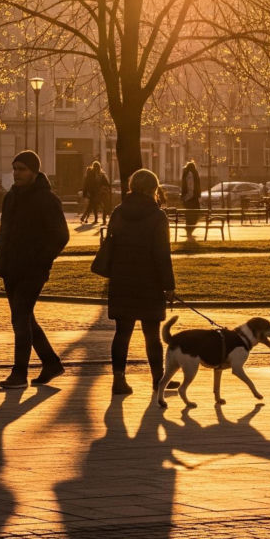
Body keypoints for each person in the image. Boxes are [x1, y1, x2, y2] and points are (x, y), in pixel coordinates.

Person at [0, 150, 70, 389]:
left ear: (34, 171)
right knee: (25, 319)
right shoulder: (11, 197)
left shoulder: (47, 199)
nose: (16, 173)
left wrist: (42, 260)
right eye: (14, 168)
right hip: (11, 268)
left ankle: (19, 373)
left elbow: (61, 236)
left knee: (20, 318)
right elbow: (3, 234)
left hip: (33, 270)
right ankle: (51, 362)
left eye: (22, 169)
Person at [103, 168, 176, 396]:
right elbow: (162, 254)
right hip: (149, 282)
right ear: (154, 189)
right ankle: (158, 379)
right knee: (151, 334)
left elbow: (111, 244)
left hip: (122, 280)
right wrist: (169, 286)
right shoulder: (157, 216)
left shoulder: (119, 211)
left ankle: (118, 379)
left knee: (122, 333)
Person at [180, 159, 201, 238]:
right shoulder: (191, 174)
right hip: (192, 199)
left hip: (189, 198)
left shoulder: (187, 173)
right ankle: (189, 231)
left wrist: (184, 199)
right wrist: (187, 197)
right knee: (194, 215)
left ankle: (189, 231)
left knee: (189, 216)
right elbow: (191, 188)